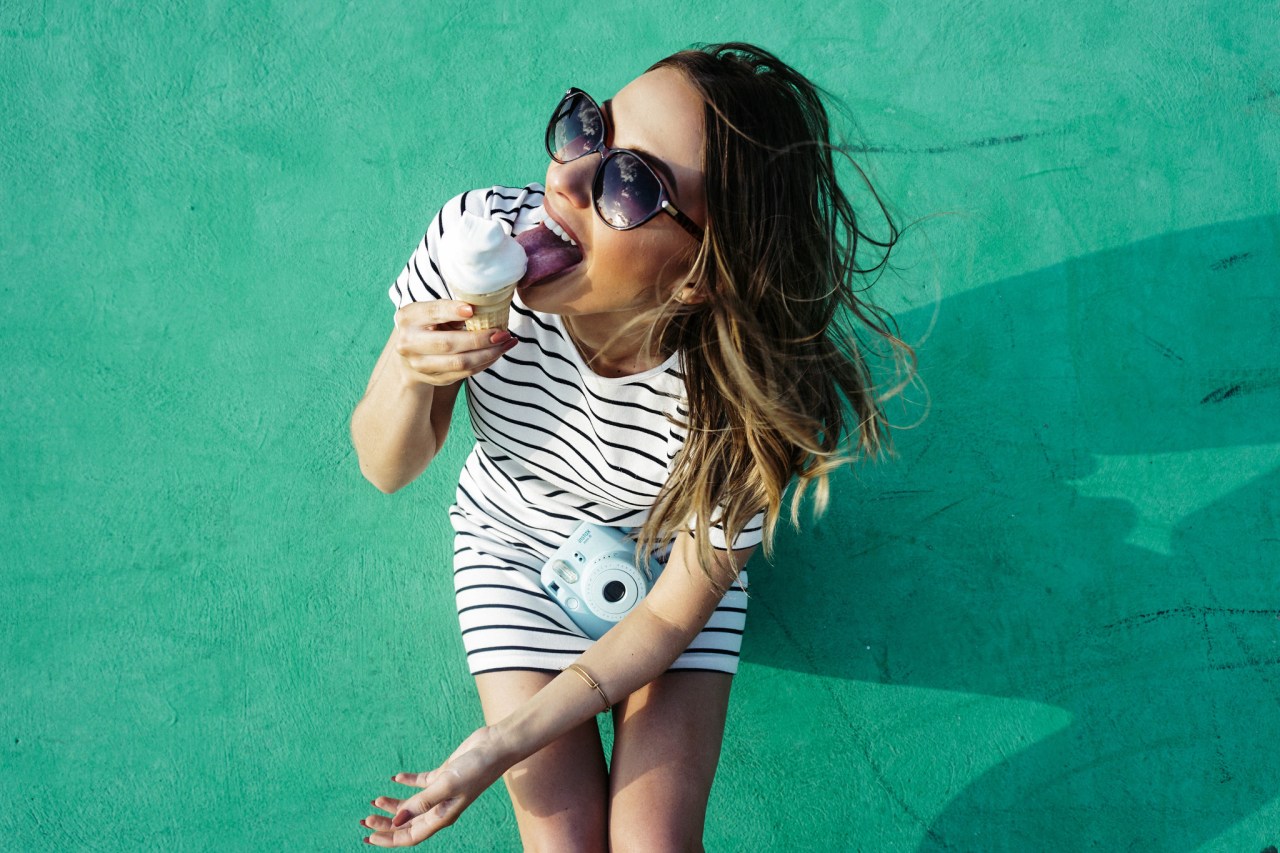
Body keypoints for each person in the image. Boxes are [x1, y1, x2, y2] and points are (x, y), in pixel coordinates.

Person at [350, 41, 915, 850]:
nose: (565, 180)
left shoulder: (746, 403)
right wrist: (410, 369)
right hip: (513, 547)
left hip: (664, 562)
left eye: (629, 183)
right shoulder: (472, 243)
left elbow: (668, 619)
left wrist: (500, 741)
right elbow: (384, 466)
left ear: (698, 275)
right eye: (589, 127)